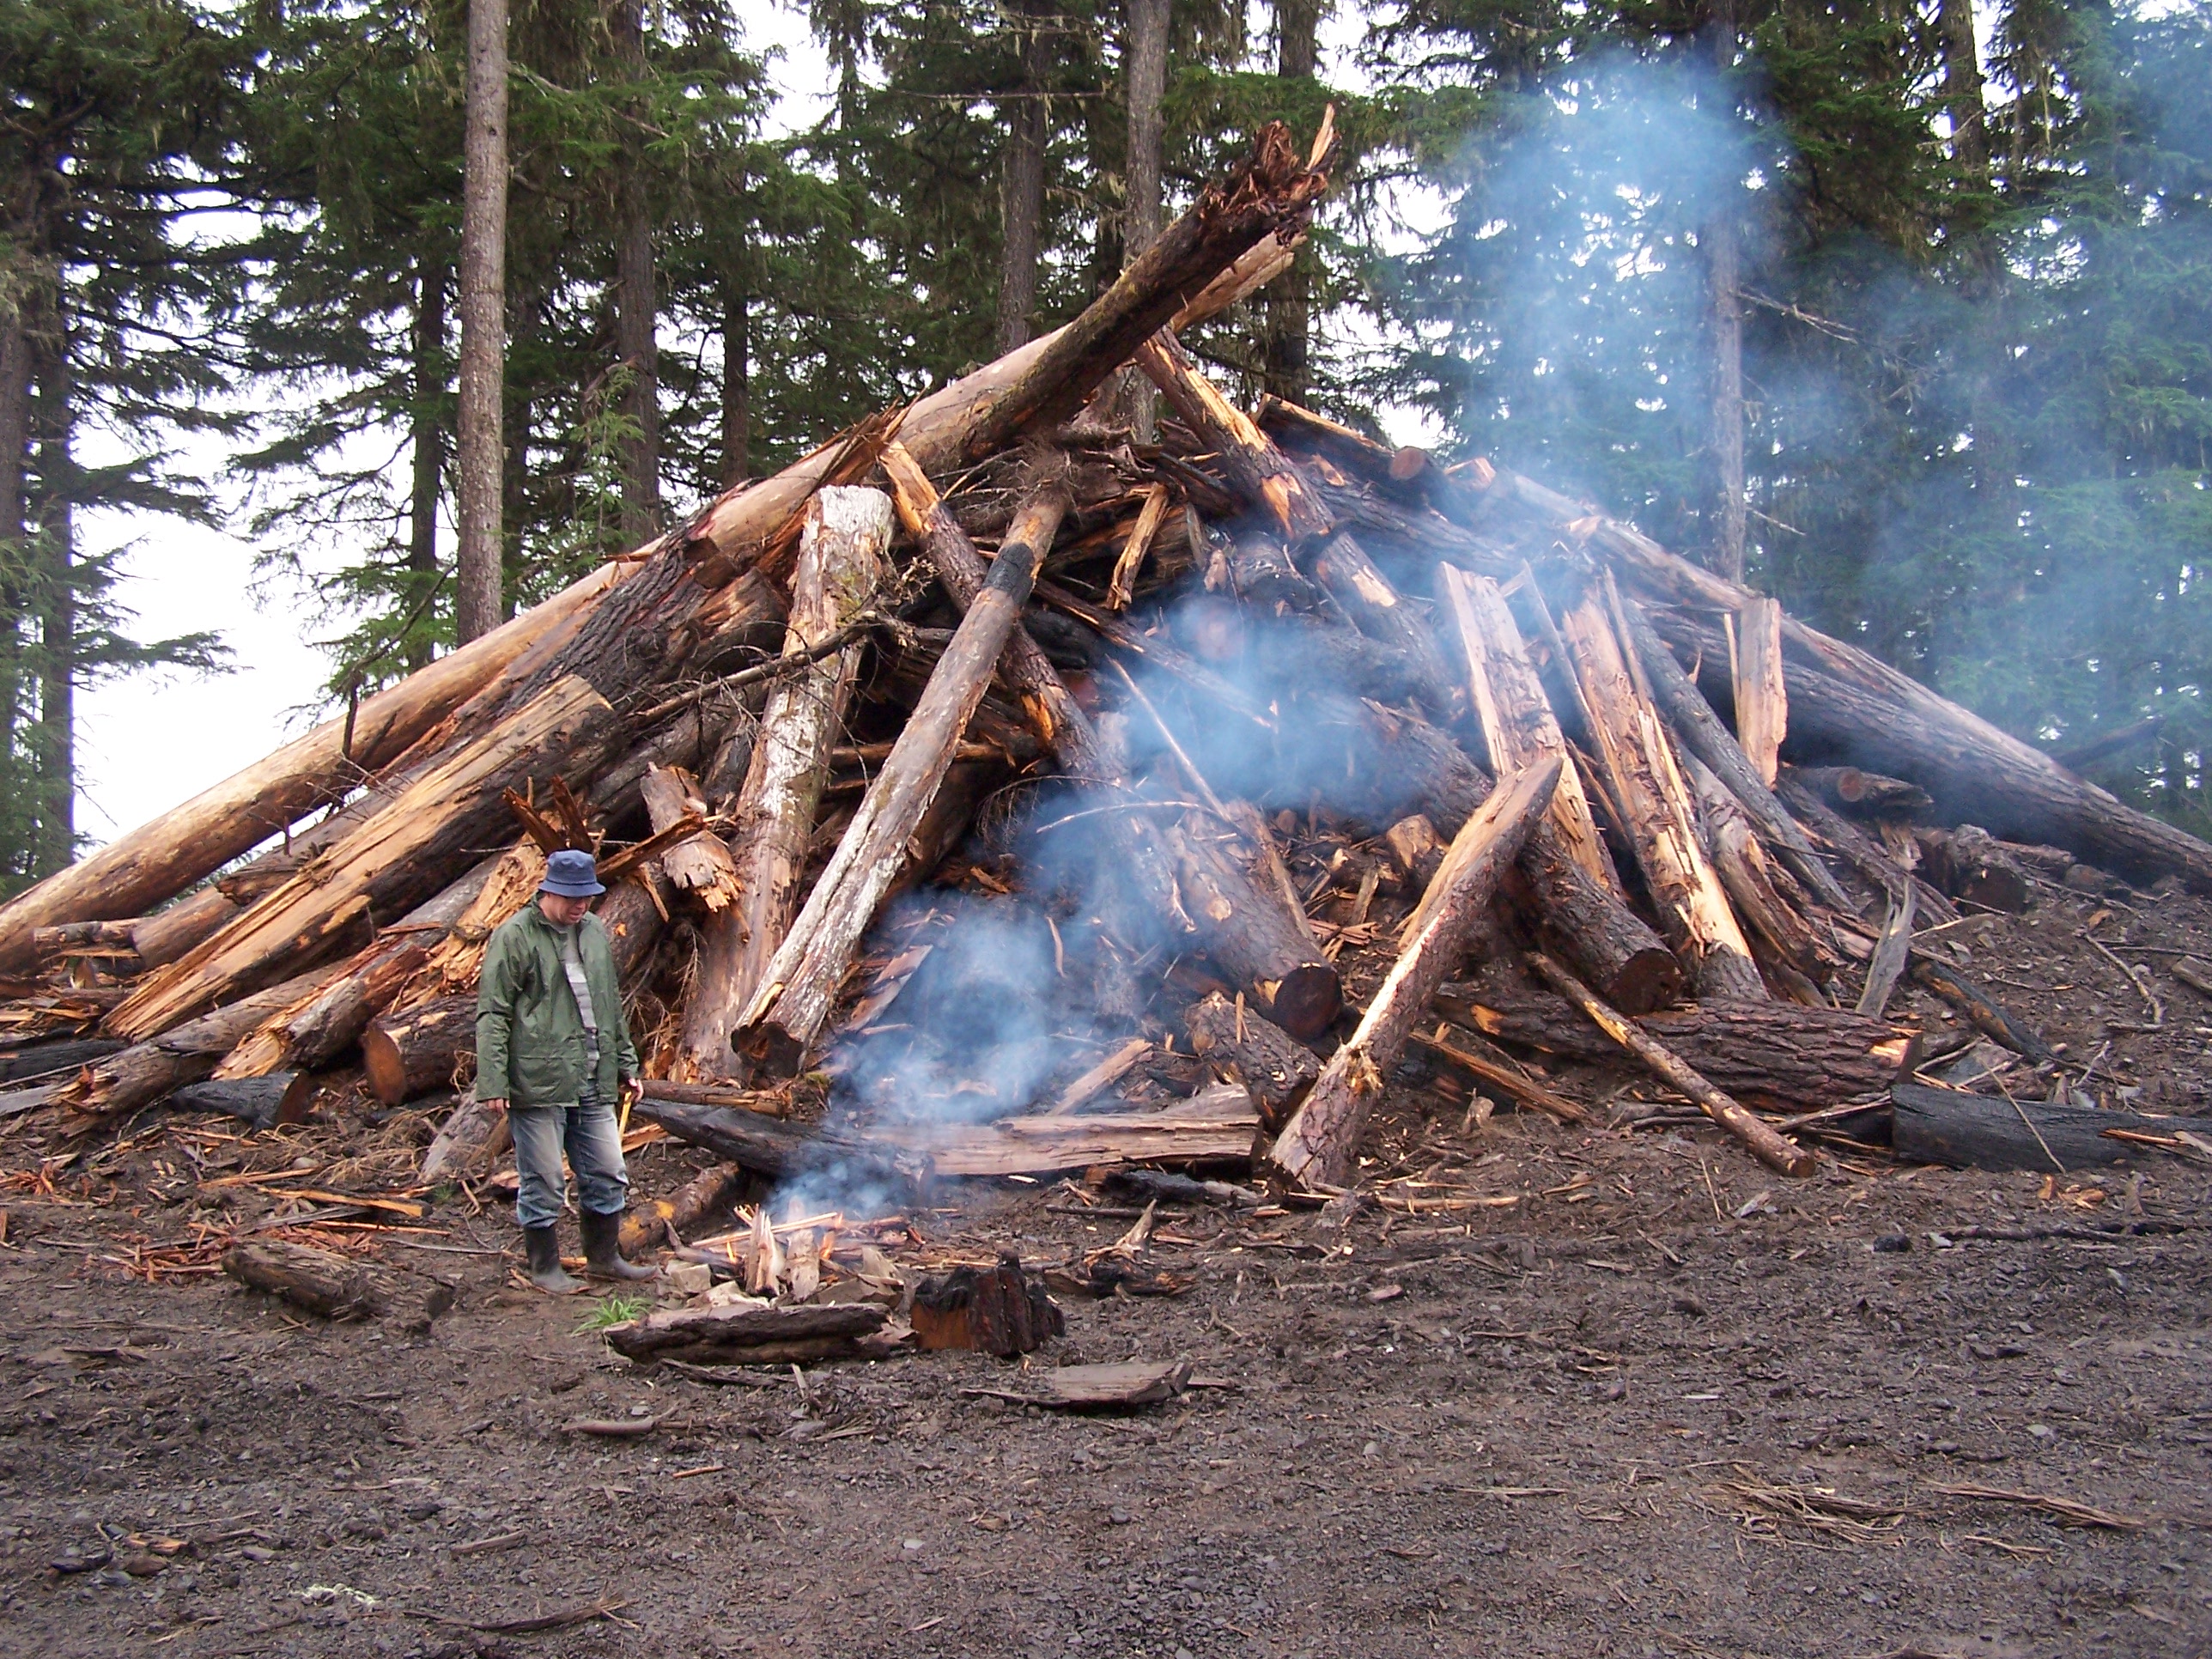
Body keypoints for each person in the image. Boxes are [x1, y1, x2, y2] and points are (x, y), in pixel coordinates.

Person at [476, 848, 658, 1293]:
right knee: (545, 1178)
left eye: (588, 897)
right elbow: (493, 1013)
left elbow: (609, 1003)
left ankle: (604, 1260)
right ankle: (544, 1269)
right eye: (572, 897)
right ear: (548, 890)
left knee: (608, 1171)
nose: (581, 905)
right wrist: (494, 1079)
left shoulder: (593, 930)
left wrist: (626, 1062)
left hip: (593, 1076)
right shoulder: (514, 936)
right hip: (538, 1081)